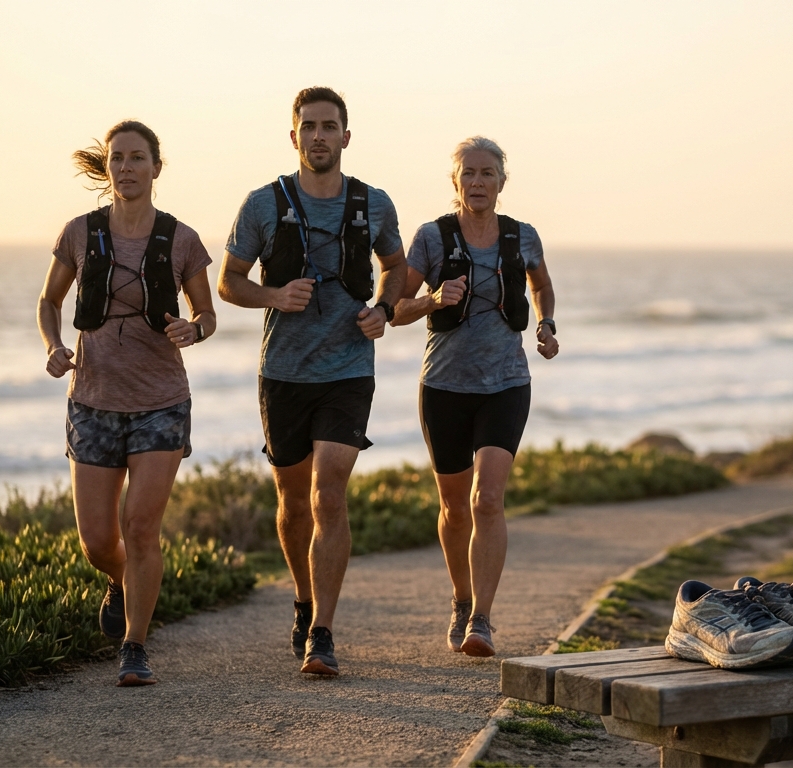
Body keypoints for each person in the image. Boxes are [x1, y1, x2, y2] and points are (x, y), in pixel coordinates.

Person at [218, 87, 406, 676]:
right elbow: (228, 282)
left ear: (346, 136)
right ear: (293, 136)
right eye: (309, 126)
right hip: (283, 372)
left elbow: (396, 268)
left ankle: (321, 631)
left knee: (328, 493)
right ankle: (302, 600)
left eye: (330, 126)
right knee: (293, 501)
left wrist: (384, 309)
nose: (319, 135)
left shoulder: (374, 204)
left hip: (349, 370)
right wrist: (274, 295)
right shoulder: (261, 203)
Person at [37, 120, 215, 686]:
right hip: (91, 399)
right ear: (107, 166)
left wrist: (195, 329)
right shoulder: (79, 232)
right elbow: (48, 300)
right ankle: (122, 582)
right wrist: (55, 345)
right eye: (117, 158)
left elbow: (207, 312)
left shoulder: (181, 239)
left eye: (138, 158)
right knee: (96, 541)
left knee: (140, 528)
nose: (126, 168)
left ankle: (135, 645)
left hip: (161, 400)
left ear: (156, 167)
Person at [391, 136, 559, 657]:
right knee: (453, 508)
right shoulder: (431, 238)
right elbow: (396, 307)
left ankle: (482, 620)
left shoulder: (521, 236)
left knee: (487, 500)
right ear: (456, 181)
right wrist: (435, 299)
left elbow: (541, 286)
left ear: (501, 183)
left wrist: (548, 324)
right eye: (469, 173)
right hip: (443, 387)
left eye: (488, 173)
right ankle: (461, 600)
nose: (478, 182)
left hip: (506, 383)